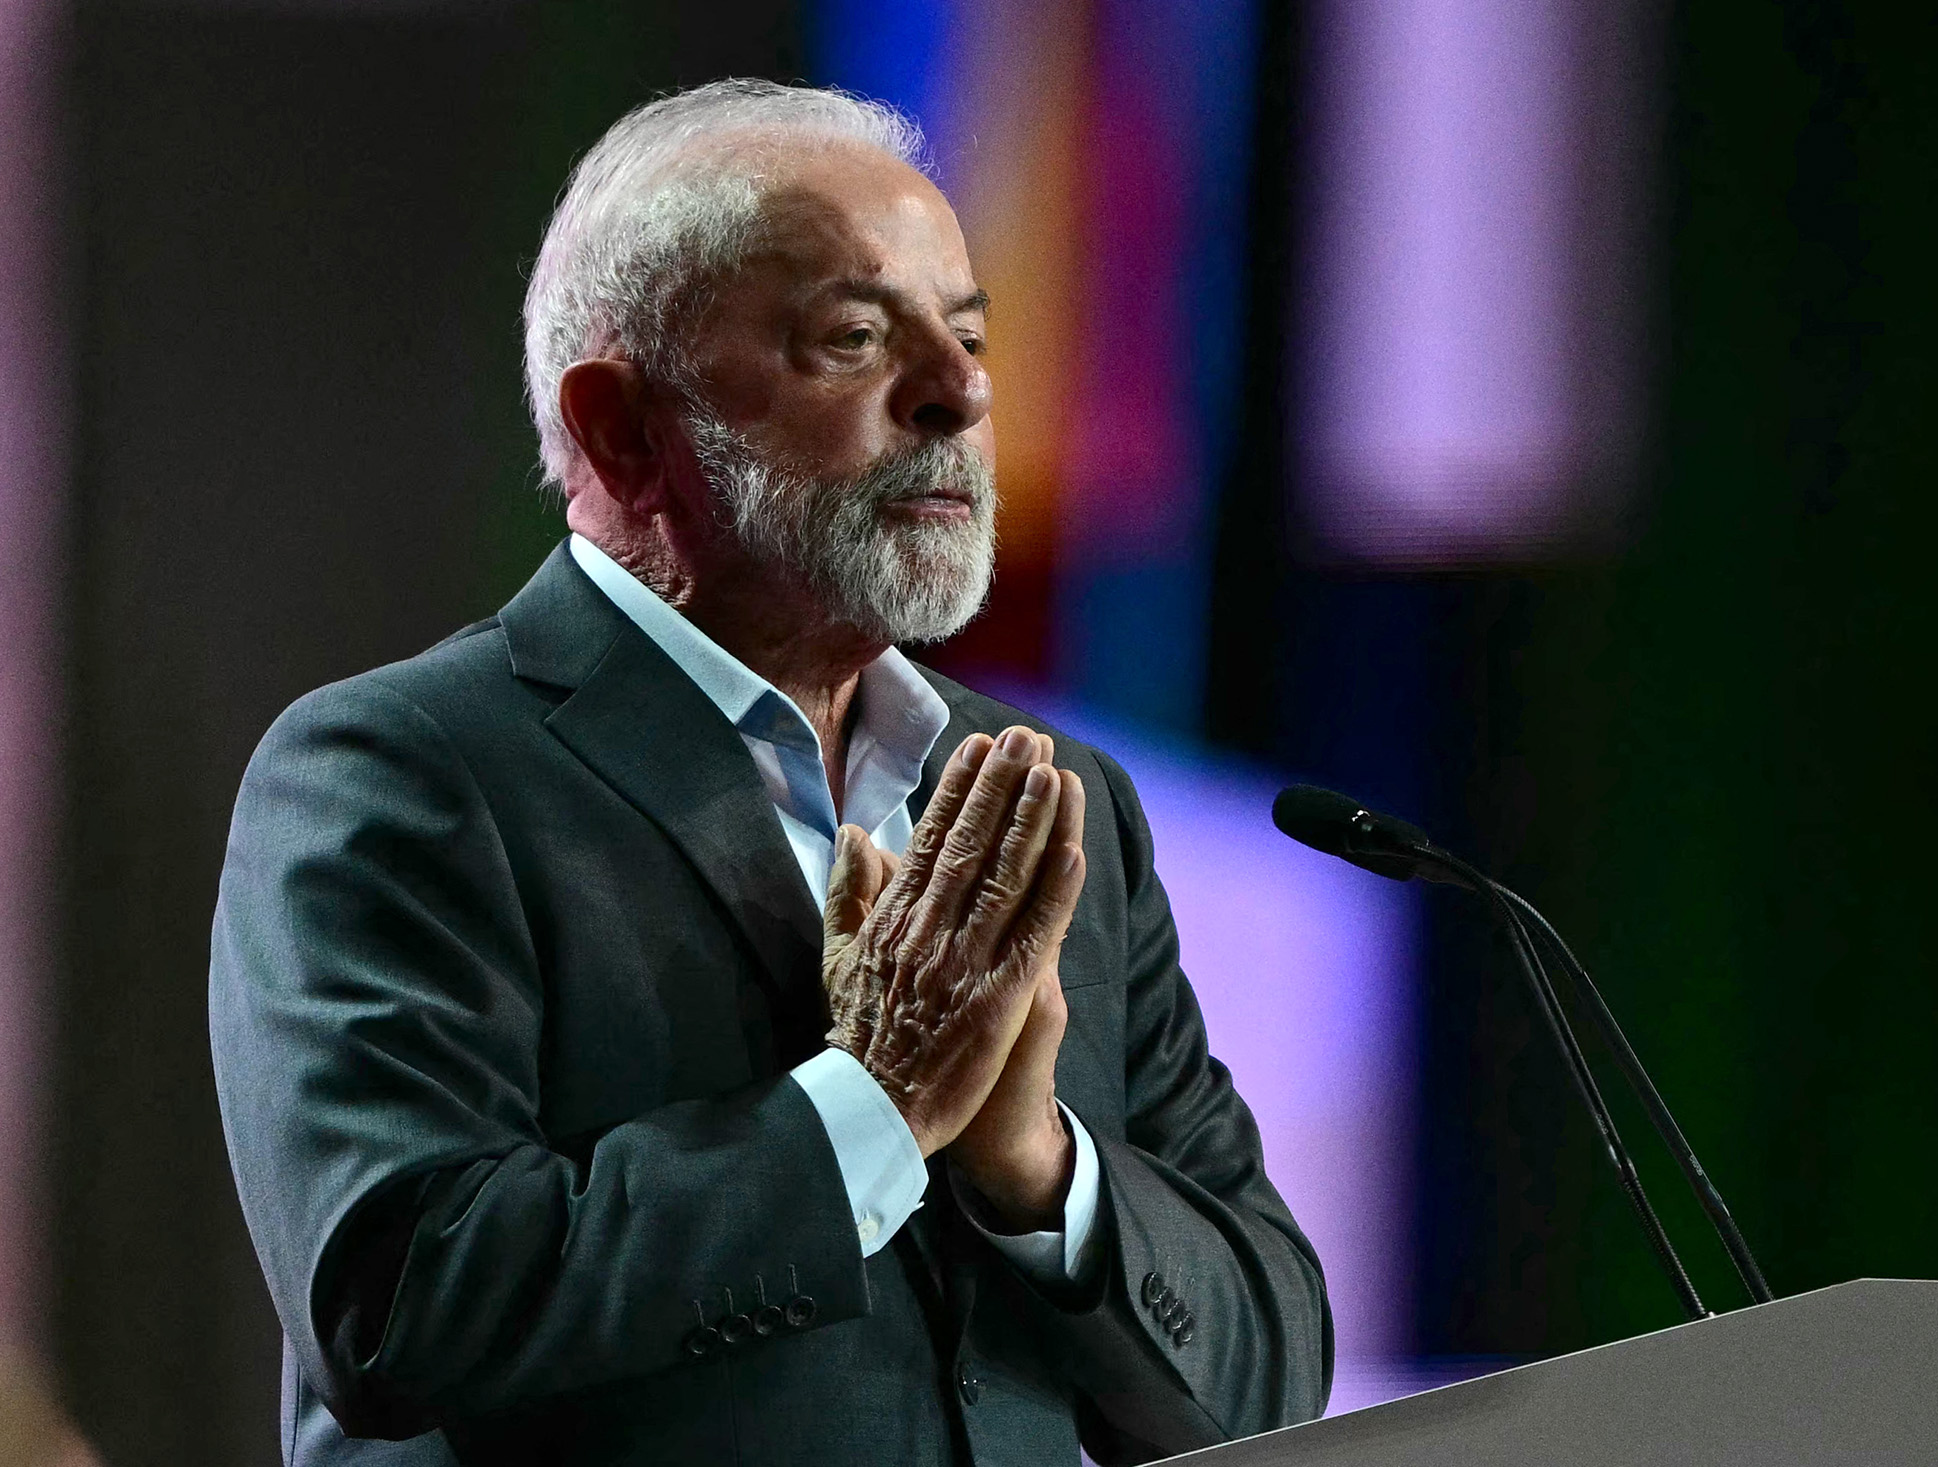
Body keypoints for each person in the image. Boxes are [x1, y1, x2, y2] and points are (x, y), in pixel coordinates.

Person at [208, 79, 1331, 1466]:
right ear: (621, 427)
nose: (963, 392)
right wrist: (875, 1108)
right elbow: (402, 1302)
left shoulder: (1051, 797)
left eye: (969, 337)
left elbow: (1268, 1379)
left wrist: (1031, 1164)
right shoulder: (398, 774)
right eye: (854, 340)